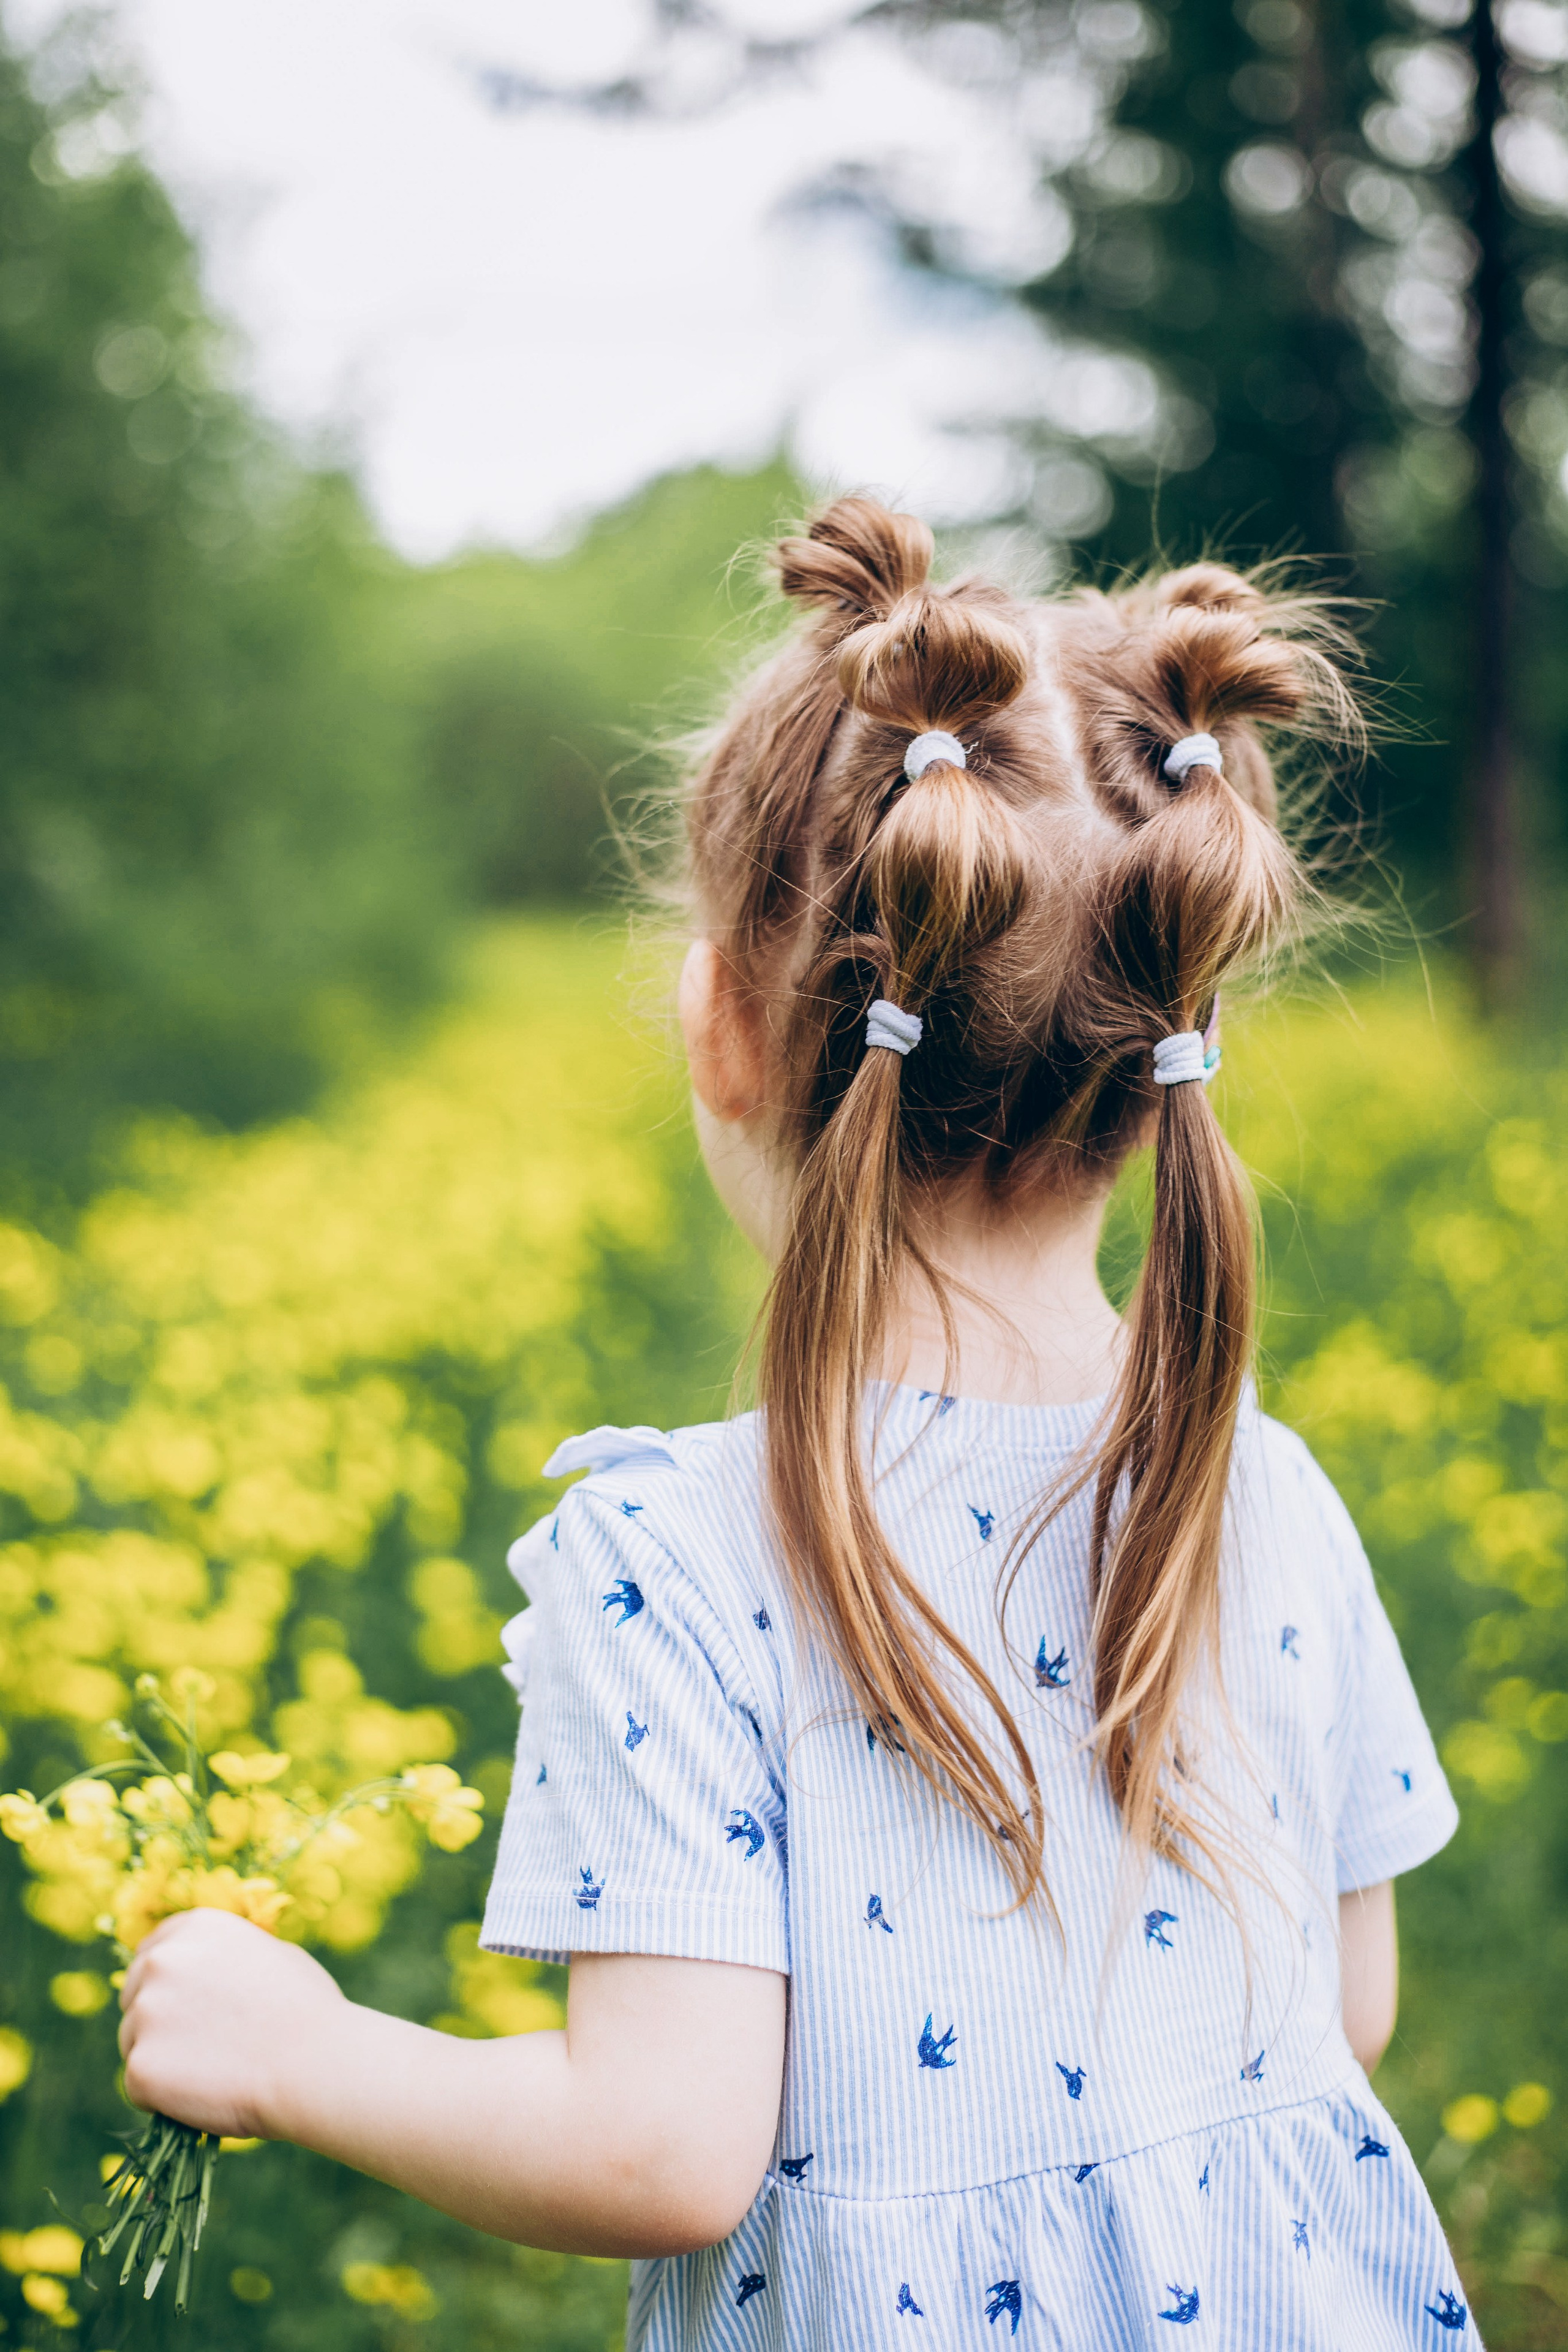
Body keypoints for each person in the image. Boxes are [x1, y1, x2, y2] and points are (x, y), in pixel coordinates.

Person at [118, 497, 1471, 2347]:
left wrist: (300, 2049)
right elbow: (1350, 1999)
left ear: (723, 1033)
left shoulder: (674, 1559)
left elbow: (662, 2151)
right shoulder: (1266, 1482)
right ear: (1163, 1062)